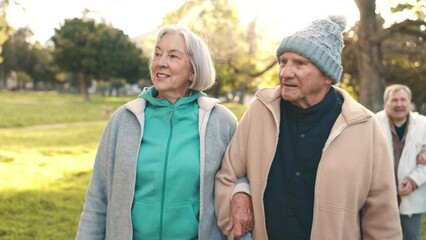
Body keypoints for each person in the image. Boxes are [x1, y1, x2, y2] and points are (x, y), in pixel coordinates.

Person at [215, 15, 403, 240]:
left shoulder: (365, 127)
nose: (285, 73)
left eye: (299, 63)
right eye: (283, 62)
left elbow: (382, 216)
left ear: (327, 76)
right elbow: (228, 176)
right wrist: (239, 204)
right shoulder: (260, 110)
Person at [76, 25, 237, 240]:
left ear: (193, 71)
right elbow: (98, 198)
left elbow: (241, 184)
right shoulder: (123, 120)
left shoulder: (220, 121)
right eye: (158, 53)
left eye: (173, 56)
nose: (161, 62)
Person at [376, 84, 426, 240]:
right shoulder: (373, 123)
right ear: (386, 103)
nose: (399, 104)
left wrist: (413, 180)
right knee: (380, 236)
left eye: (403, 100)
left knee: (411, 236)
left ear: (409, 102)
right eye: (394, 100)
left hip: (411, 195)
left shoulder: (423, 125)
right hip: (380, 195)